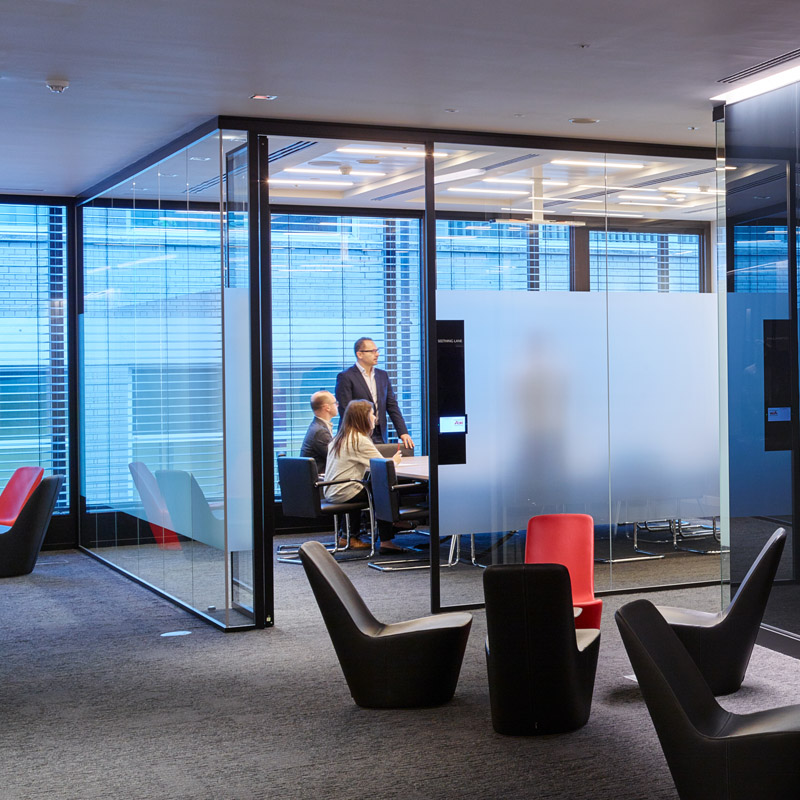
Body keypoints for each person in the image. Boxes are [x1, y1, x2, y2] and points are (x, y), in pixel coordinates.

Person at [324, 399, 404, 553]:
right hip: (345, 491)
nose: (375, 418)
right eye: (372, 414)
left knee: (373, 486)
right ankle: (387, 538)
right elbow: (383, 466)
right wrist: (395, 460)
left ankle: (347, 536)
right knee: (382, 492)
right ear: (363, 417)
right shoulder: (358, 440)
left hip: (332, 490)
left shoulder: (340, 437)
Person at [335, 337, 415, 449]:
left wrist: (403, 432)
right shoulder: (346, 377)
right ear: (360, 354)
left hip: (380, 433)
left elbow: (392, 406)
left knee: (382, 465)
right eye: (372, 351)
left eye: (377, 351)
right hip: (358, 434)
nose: (377, 354)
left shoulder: (382, 375)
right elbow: (345, 410)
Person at [299, 390, 338, 474]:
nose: (337, 405)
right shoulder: (320, 432)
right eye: (335, 403)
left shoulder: (317, 426)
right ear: (327, 407)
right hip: (320, 482)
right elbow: (336, 459)